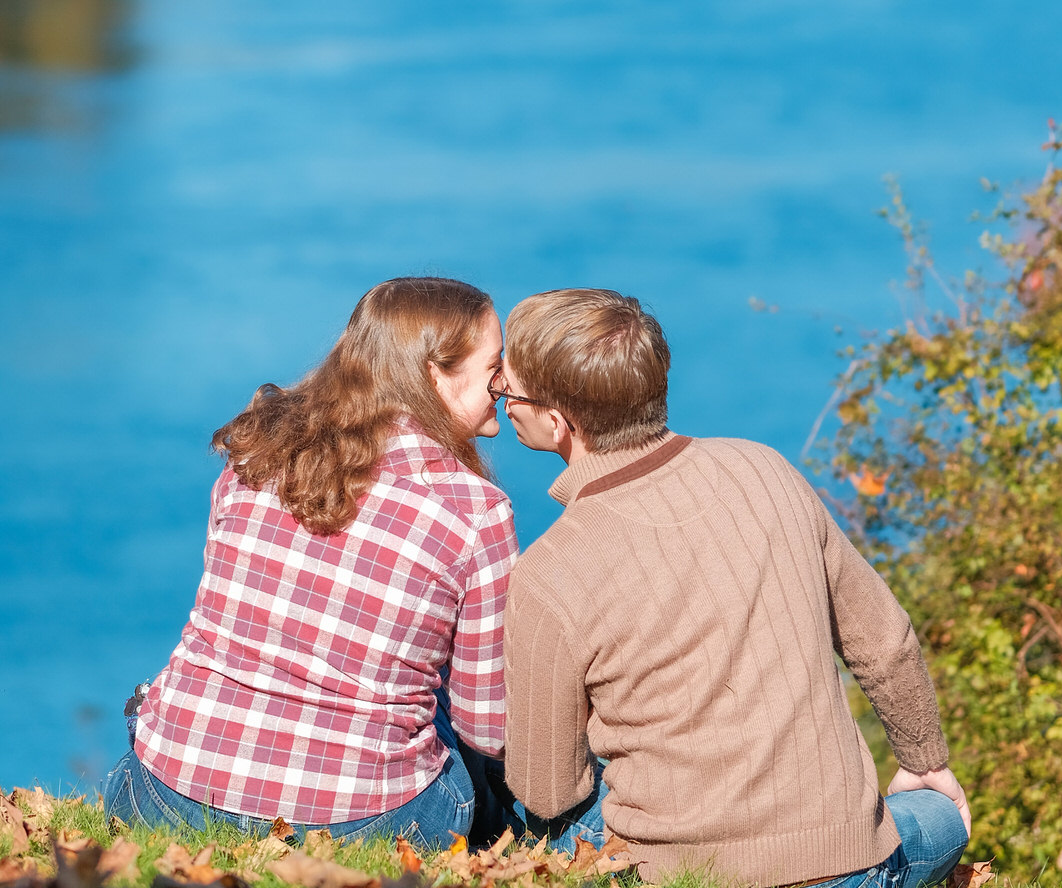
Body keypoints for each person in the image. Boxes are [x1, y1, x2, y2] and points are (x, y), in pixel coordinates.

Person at [494, 288, 971, 887]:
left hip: (679, 873)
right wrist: (925, 763)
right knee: (938, 815)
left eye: (508, 391)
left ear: (558, 421)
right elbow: (885, 640)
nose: (504, 403)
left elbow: (548, 790)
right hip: (846, 865)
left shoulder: (550, 569)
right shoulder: (765, 470)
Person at [103, 276, 517, 847]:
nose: (509, 380)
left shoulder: (258, 452)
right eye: (496, 363)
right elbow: (486, 725)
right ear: (434, 374)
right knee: (448, 713)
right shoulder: (476, 511)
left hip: (168, 792)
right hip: (361, 823)